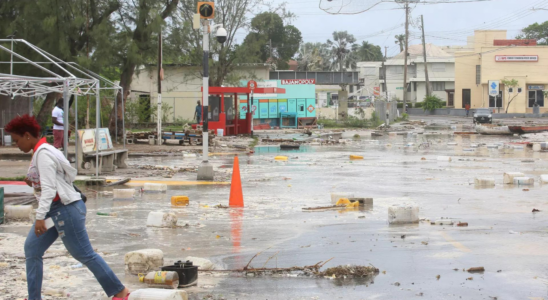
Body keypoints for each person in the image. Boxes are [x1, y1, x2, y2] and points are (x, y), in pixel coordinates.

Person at [4, 114, 130, 300]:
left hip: (65, 210)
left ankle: (119, 291)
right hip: (55, 210)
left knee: (84, 254)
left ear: (27, 135)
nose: (16, 145)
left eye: (16, 140)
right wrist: (34, 183)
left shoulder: (44, 154)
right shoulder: (43, 150)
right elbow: (57, 179)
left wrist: (39, 217)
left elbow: (49, 189)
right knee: (32, 249)